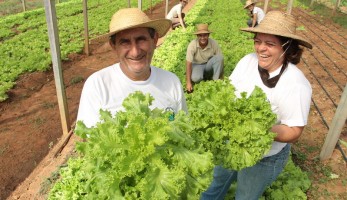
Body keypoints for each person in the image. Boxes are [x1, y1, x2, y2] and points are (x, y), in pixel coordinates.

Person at [201, 11, 313, 199]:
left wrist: (258, 129)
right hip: (231, 143)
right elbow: (228, 93)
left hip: (264, 158)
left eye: (270, 44)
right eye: (258, 41)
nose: (261, 48)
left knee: (245, 196)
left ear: (287, 47)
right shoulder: (247, 62)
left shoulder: (295, 83)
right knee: (214, 186)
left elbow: (294, 130)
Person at [76, 8, 187, 128]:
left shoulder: (172, 82)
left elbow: (183, 130)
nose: (135, 52)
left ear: (154, 40)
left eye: (141, 39)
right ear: (114, 46)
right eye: (125, 42)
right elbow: (89, 141)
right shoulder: (98, 85)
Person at [185, 24, 224, 93]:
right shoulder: (192, 45)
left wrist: (221, 76)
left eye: (205, 35)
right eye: (200, 35)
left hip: (209, 64)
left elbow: (220, 59)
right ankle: (205, 76)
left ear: (208, 35)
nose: (203, 38)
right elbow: (188, 63)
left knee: (220, 57)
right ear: (197, 36)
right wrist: (188, 83)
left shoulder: (213, 43)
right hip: (197, 65)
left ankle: (216, 81)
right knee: (196, 78)